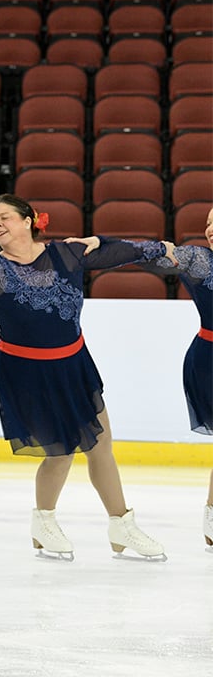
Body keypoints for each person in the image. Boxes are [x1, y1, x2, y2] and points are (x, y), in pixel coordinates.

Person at [0, 193, 172, 560]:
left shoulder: (65, 253)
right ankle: (44, 522)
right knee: (61, 452)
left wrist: (157, 246)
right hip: (27, 370)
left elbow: (120, 253)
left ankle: (121, 525)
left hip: (74, 363)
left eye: (5, 217)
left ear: (29, 220)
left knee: (101, 446)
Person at [143, 204, 213, 550]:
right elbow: (151, 259)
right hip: (209, 358)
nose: (210, 229)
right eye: (208, 223)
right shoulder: (199, 259)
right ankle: (212, 513)